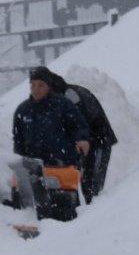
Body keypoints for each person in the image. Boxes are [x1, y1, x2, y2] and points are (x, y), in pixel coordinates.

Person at [47, 71, 118, 202]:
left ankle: (98, 213)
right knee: (86, 182)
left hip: (99, 141)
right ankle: (89, 213)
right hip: (89, 142)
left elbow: (81, 123)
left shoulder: (71, 96)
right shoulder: (63, 95)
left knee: (92, 184)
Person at [12, 66, 91, 168]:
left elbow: (79, 125)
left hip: (63, 165)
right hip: (34, 168)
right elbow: (18, 140)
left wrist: (82, 139)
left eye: (41, 85)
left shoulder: (63, 105)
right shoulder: (23, 110)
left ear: (48, 87)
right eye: (33, 85)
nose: (36, 89)